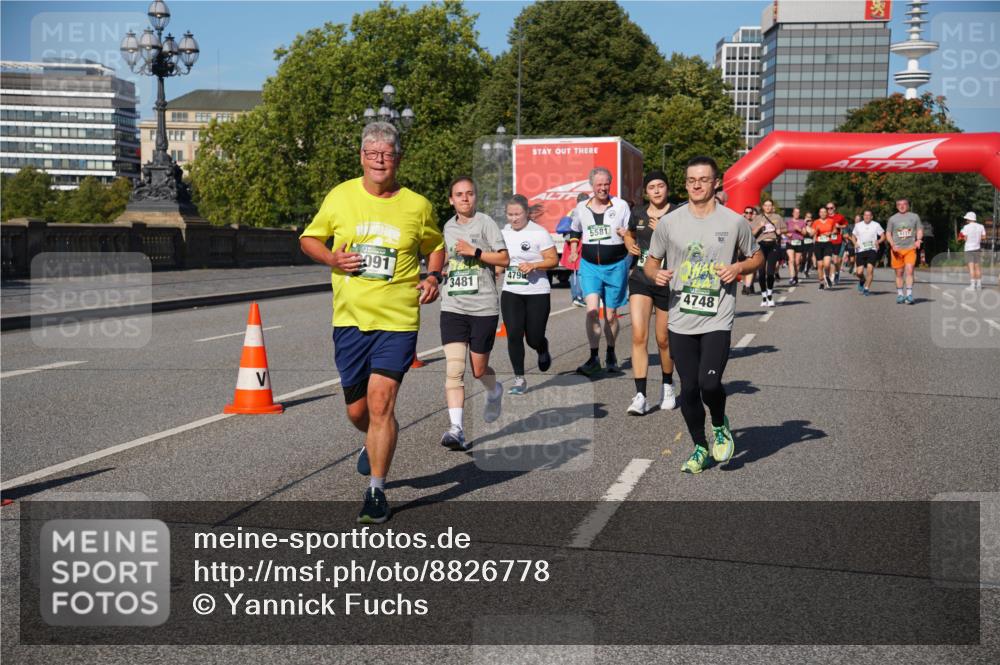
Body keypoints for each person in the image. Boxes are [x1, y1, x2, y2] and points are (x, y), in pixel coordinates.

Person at [299, 122, 446, 524]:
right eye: (372, 153)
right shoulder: (340, 196)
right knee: (358, 412)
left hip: (398, 319)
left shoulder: (417, 205)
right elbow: (309, 239)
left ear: (398, 158)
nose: (379, 159)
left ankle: (376, 492)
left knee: (382, 403)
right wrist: (331, 258)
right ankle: (371, 441)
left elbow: (435, 246)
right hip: (349, 319)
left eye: (387, 153)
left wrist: (433, 276)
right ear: (362, 157)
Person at [643, 156, 763, 474]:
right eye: (691, 180)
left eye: (703, 179)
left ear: (716, 182)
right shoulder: (670, 222)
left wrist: (738, 267)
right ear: (686, 184)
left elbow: (757, 256)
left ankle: (720, 424)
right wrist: (655, 274)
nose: (697, 185)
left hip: (717, 316)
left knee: (710, 385)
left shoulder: (734, 221)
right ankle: (700, 447)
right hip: (681, 317)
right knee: (689, 390)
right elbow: (651, 261)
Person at [437, 176, 509, 452]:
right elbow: (445, 256)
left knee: (479, 370)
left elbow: (504, 259)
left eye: (469, 194)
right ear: (451, 200)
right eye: (459, 194)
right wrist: (439, 270)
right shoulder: (447, 227)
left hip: (483, 307)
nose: (465, 198)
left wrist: (476, 251)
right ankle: (456, 429)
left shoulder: (486, 223)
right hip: (453, 306)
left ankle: (494, 390)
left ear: (475, 197)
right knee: (455, 370)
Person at [567, 167, 632, 375]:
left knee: (611, 315)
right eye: (599, 185)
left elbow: (631, 233)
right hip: (590, 266)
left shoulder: (621, 206)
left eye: (606, 184)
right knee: (592, 311)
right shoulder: (581, 207)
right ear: (592, 186)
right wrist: (575, 250)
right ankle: (593, 356)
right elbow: (575, 230)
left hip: (616, 266)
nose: (602, 188)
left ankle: (610, 351)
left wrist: (626, 234)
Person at [623, 170, 676, 415]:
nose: (656, 190)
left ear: (667, 188)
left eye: (660, 185)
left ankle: (667, 385)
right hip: (641, 279)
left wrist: (663, 231)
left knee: (663, 339)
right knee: (638, 335)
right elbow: (630, 233)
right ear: (646, 191)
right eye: (651, 186)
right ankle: (640, 395)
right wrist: (629, 244)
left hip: (667, 281)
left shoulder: (677, 213)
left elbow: (685, 244)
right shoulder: (638, 213)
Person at [499, 194, 559, 395]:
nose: (514, 218)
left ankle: (542, 347)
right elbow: (501, 258)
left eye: (518, 214)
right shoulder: (504, 232)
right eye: (510, 214)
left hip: (537, 292)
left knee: (533, 338)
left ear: (526, 213)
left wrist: (534, 265)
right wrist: (496, 268)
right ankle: (519, 378)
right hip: (511, 291)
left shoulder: (538, 233)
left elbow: (553, 260)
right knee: (514, 334)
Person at [885, 198, 924, 305]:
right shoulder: (892, 219)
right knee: (899, 273)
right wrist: (892, 245)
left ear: (908, 205)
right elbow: (888, 233)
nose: (902, 206)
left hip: (910, 248)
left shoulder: (914, 216)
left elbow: (919, 229)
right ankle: (900, 294)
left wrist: (919, 240)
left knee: (910, 270)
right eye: (899, 204)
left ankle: (909, 294)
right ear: (896, 206)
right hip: (897, 250)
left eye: (904, 204)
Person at [750, 199, 786, 307]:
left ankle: (770, 295)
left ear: (772, 207)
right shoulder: (758, 218)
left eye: (770, 205)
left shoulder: (777, 217)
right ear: (763, 207)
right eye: (766, 205)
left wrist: (780, 231)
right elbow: (752, 233)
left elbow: (785, 229)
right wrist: (759, 226)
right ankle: (764, 296)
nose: (768, 207)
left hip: (773, 244)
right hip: (761, 245)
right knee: (761, 272)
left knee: (770, 271)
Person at [559, 192, 590, 307]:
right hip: (578, 243)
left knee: (575, 272)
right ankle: (578, 297)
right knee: (580, 272)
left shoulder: (571, 211)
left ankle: (576, 296)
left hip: (570, 244)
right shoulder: (582, 211)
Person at [851, 209, 884, 296]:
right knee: (859, 272)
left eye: (869, 215)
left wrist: (878, 241)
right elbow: (853, 236)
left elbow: (883, 236)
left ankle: (866, 288)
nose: (867, 217)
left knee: (870, 269)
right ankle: (862, 280)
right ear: (863, 216)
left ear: (872, 217)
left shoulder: (876, 225)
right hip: (860, 250)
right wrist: (855, 243)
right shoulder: (858, 225)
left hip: (872, 249)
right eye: (865, 215)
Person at [958, 211, 986, 290]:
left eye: (966, 219)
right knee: (978, 267)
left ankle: (973, 285)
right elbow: (984, 237)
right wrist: (977, 238)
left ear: (969, 219)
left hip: (969, 249)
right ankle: (979, 285)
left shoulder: (966, 227)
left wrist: (963, 238)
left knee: (971, 267)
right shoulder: (981, 226)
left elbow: (964, 238)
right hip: (977, 248)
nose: (966, 220)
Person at [811, 206, 837, 290]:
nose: (823, 213)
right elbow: (811, 234)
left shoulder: (831, 221)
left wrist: (830, 233)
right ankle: (821, 282)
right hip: (818, 244)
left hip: (828, 243)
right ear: (819, 213)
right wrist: (816, 230)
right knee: (820, 265)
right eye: (821, 212)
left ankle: (827, 276)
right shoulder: (815, 222)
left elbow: (835, 231)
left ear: (827, 213)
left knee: (827, 264)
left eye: (824, 212)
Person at [826, 202, 848, 285]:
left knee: (835, 261)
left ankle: (837, 273)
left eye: (831, 208)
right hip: (827, 241)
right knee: (829, 260)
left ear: (834, 208)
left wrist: (840, 226)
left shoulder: (840, 217)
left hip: (837, 241)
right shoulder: (825, 217)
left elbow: (846, 225)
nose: (829, 210)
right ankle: (830, 276)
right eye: (827, 208)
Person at [784, 207, 806, 285]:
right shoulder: (788, 222)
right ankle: (791, 277)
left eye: (798, 212)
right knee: (791, 260)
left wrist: (799, 229)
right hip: (790, 242)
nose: (797, 214)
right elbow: (783, 231)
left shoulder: (802, 222)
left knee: (797, 262)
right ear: (792, 213)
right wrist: (787, 234)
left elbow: (804, 233)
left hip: (799, 242)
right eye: (795, 212)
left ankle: (795, 276)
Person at [740, 206, 758, 295]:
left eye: (750, 213)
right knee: (744, 270)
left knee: (751, 268)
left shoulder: (754, 223)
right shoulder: (740, 221)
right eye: (746, 212)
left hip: (751, 248)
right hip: (741, 249)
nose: (748, 214)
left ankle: (747, 287)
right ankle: (746, 284)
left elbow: (753, 233)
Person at [801, 211, 815, 279]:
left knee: (809, 257)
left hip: (810, 244)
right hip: (803, 243)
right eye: (807, 217)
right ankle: (802, 267)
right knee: (803, 257)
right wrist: (804, 223)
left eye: (810, 217)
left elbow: (813, 234)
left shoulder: (813, 225)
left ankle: (806, 271)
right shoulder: (802, 225)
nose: (809, 219)